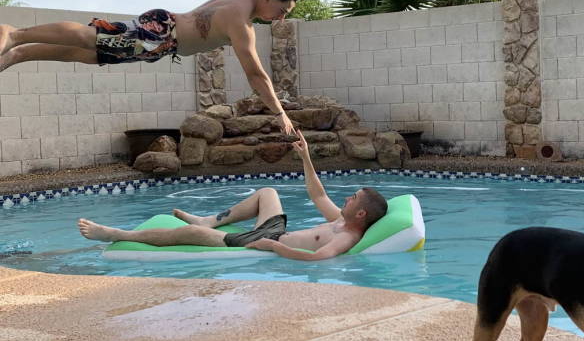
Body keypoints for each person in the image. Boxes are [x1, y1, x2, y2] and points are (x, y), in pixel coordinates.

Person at [0, 0, 297, 135]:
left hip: (162, 32)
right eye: (281, 11)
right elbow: (256, 74)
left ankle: (20, 54)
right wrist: (279, 113)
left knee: (89, 54)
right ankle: (15, 34)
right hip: (160, 36)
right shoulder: (242, 25)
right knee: (88, 37)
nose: (280, 18)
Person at [77, 131, 388, 260]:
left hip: (268, 244)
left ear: (361, 213)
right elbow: (318, 195)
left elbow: (320, 258)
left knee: (189, 233)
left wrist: (272, 248)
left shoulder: (347, 237)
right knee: (267, 192)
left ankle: (115, 232)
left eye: (353, 198)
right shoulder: (338, 220)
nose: (347, 199)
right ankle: (208, 219)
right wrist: (305, 156)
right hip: (276, 232)